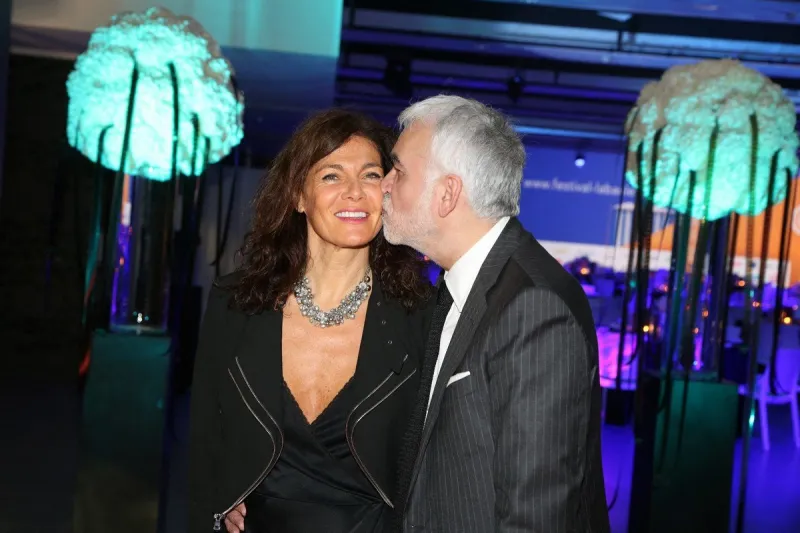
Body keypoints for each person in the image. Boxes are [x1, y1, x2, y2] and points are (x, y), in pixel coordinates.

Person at [188, 109, 432, 533]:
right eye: (332, 176)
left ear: (388, 192)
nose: (354, 193)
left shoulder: (422, 315)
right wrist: (219, 499)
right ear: (299, 196)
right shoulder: (237, 302)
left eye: (371, 175)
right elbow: (208, 430)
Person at [382, 95, 611, 532]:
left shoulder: (534, 306)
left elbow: (535, 517)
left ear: (447, 193)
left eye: (400, 171)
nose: (385, 185)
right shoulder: (462, 286)